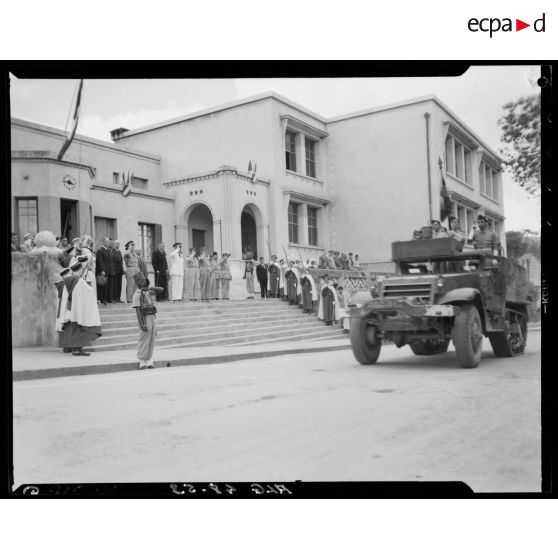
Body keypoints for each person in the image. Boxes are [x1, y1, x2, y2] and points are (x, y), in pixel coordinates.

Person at [58, 260, 102, 355]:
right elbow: (89, 291)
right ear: (78, 270)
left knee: (72, 330)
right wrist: (89, 285)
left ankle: (73, 349)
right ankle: (78, 349)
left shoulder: (67, 281)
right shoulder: (79, 281)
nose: (82, 271)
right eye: (81, 269)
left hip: (70, 309)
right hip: (79, 309)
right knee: (79, 330)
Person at [131, 271, 163, 370]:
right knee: (144, 338)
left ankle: (149, 359)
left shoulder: (148, 292)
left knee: (151, 338)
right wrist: (142, 324)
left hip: (152, 317)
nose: (143, 282)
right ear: (137, 282)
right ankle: (141, 359)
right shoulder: (137, 294)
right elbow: (138, 311)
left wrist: (150, 288)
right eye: (141, 280)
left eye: (144, 280)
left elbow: (161, 289)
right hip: (144, 318)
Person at [54, 267, 72, 352]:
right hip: (64, 308)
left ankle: (62, 347)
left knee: (61, 327)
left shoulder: (60, 284)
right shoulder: (65, 284)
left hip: (60, 308)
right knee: (65, 327)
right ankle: (66, 346)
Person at [95, 237, 112, 304]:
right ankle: (102, 299)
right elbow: (100, 261)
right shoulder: (100, 251)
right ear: (104, 242)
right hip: (102, 271)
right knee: (102, 285)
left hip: (108, 271)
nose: (109, 243)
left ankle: (107, 298)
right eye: (108, 242)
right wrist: (102, 270)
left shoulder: (108, 250)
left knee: (108, 286)